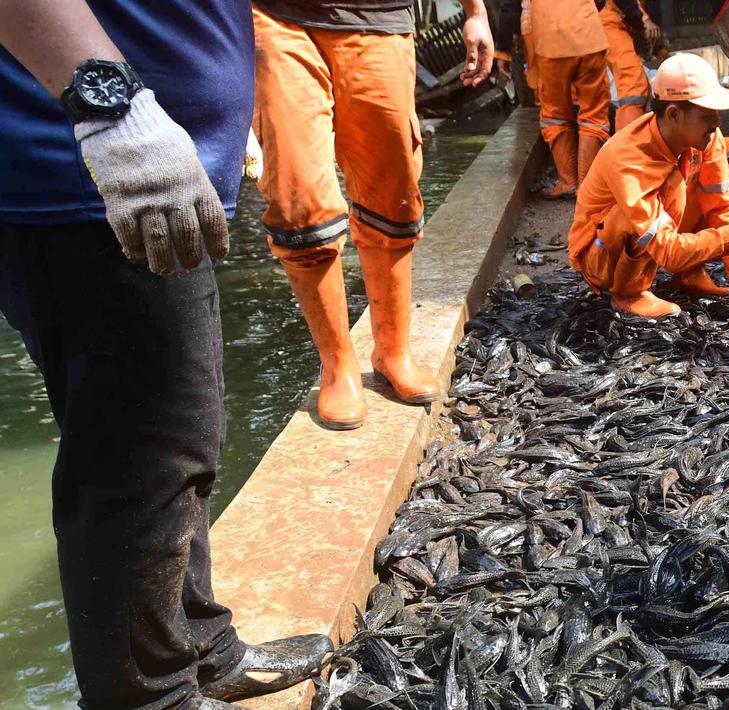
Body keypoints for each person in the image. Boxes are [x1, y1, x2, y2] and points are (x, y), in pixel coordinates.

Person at [0, 2, 332, 708]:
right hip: (85, 168)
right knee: (139, 453)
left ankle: (200, 648)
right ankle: (149, 698)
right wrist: (111, 108)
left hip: (147, 162)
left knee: (179, 441)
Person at [251, 0, 494, 431]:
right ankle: (337, 365)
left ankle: (392, 349)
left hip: (380, 20)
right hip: (274, 18)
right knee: (299, 199)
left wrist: (475, 11)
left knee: (394, 191)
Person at [568, 53, 729, 336]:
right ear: (673, 113)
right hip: (601, 257)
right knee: (662, 195)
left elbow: (723, 208)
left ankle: (690, 272)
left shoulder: (704, 138)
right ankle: (629, 293)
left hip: (662, 231)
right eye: (707, 114)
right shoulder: (628, 159)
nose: (716, 123)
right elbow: (668, 250)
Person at [496, 0, 612, 199]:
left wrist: (503, 51)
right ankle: (587, 187)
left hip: (552, 42)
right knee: (593, 115)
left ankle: (568, 182)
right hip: (590, 36)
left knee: (555, 116)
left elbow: (510, 7)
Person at [601, 0, 661, 130]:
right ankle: (626, 146)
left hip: (570, 29)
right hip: (609, 22)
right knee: (633, 89)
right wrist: (641, 24)